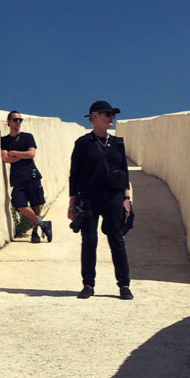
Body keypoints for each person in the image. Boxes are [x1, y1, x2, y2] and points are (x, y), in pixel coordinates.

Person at [68, 100, 134, 300]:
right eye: (107, 114)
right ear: (94, 117)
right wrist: (72, 205)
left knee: (117, 240)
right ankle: (88, 284)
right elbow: (74, 176)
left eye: (113, 114)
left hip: (113, 197)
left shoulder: (117, 144)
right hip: (89, 198)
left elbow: (124, 172)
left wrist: (126, 198)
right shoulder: (82, 144)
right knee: (89, 241)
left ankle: (124, 285)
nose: (111, 118)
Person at [0, 111, 52, 243]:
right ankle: (43, 224)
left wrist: (15, 153)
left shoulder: (28, 137)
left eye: (20, 120)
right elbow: (6, 158)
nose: (18, 122)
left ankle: (35, 233)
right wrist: (21, 155)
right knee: (19, 203)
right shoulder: (5, 140)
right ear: (8, 122)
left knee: (35, 203)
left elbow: (31, 154)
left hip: (32, 174)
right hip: (17, 178)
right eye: (15, 120)